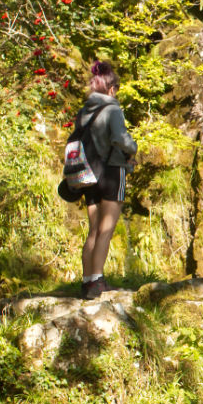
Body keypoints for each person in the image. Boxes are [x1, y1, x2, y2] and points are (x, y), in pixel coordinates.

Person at [76, 61, 137, 299]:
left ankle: (87, 280)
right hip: (112, 173)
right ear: (111, 89)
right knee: (106, 229)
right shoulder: (113, 109)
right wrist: (134, 147)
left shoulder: (84, 111)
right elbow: (121, 139)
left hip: (88, 174)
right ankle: (98, 281)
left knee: (93, 230)